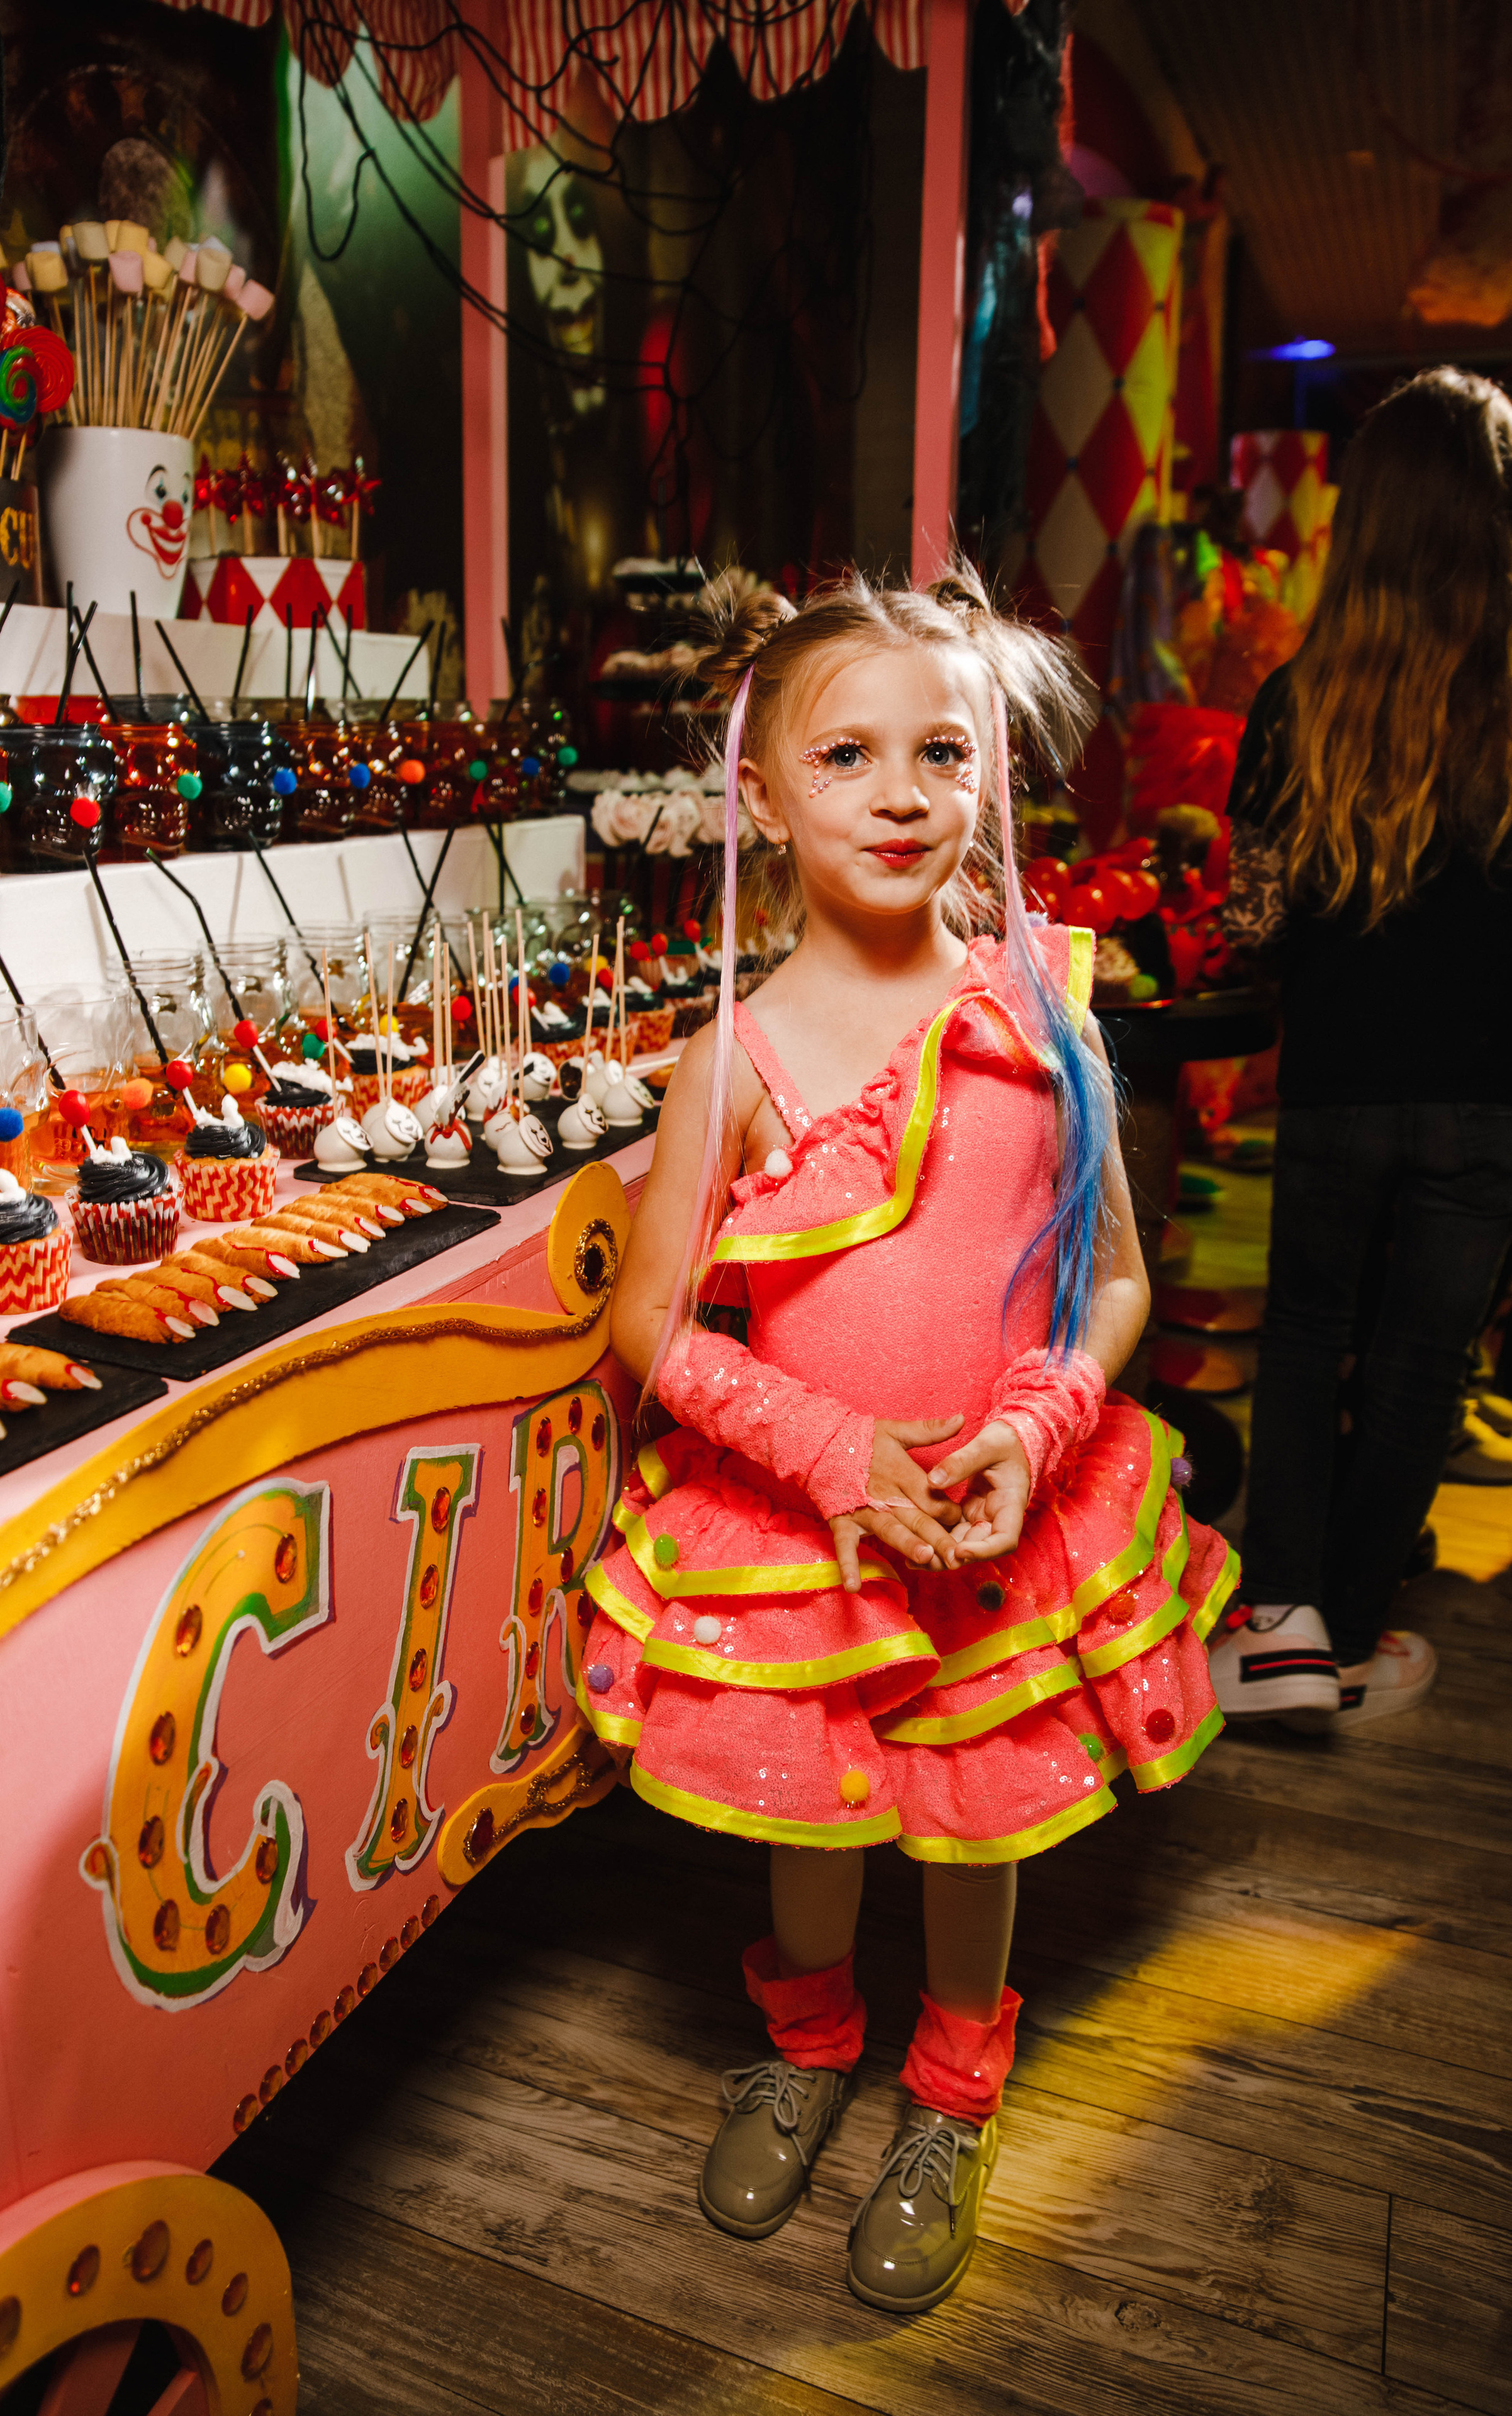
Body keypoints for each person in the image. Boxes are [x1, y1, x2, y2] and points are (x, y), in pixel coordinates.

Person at [575, 571, 1235, 2313]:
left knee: (975, 1813)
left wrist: (1041, 1422)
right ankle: (807, 2043)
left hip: (1000, 1517)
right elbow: (648, 1320)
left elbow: (1112, 1285)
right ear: (764, 796)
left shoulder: (1048, 1018)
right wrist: (820, 1446)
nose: (897, 791)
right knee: (813, 1797)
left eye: (941, 751)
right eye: (846, 752)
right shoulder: (736, 1052)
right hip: (809, 1521)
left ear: (992, 779)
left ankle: (950, 2091)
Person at [1211, 369, 1512, 1733]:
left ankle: (1278, 1628)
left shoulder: (1292, 701)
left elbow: (1252, 921)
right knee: (1418, 1366)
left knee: (1304, 1334)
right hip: (1489, 1094)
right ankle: (1346, 1627)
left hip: (1334, 1079)